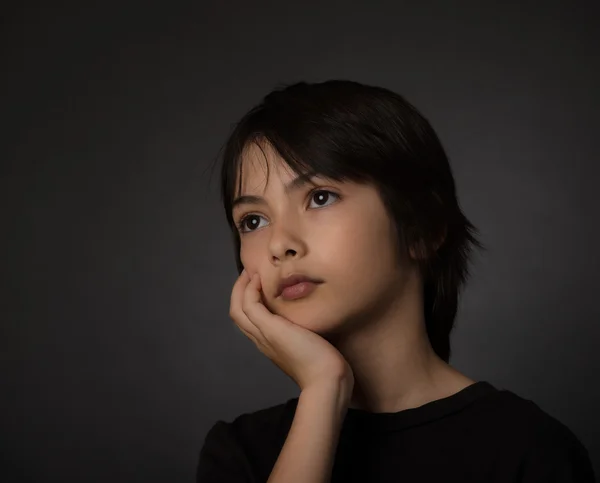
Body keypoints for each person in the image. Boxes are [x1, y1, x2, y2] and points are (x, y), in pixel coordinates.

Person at [196, 80, 595, 482]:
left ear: (422, 227)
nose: (279, 244)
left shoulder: (529, 451)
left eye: (320, 197)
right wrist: (323, 389)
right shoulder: (241, 453)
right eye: (253, 221)